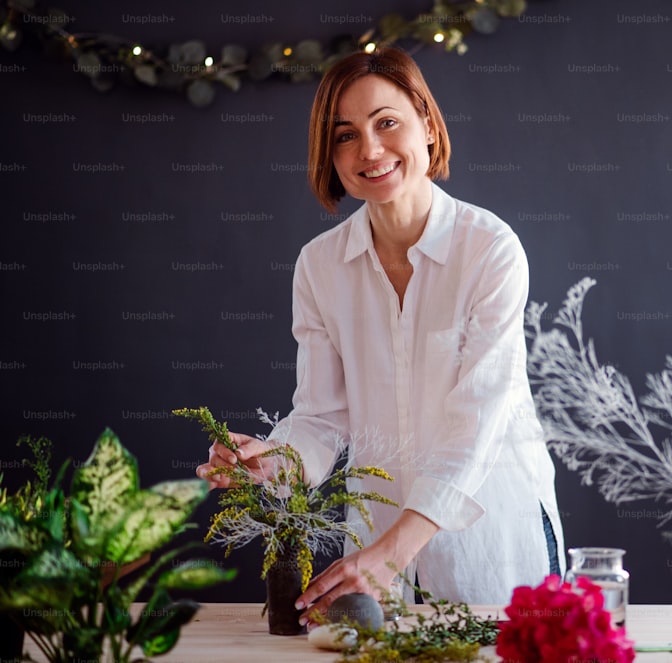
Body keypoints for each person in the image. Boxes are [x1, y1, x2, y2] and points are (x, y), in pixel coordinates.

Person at [197, 46, 564, 626]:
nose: (368, 150)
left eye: (386, 122)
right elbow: (321, 416)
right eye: (345, 135)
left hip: (492, 538)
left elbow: (477, 421)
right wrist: (270, 460)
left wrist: (395, 551)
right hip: (372, 551)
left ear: (426, 121)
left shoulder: (489, 249)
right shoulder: (319, 266)